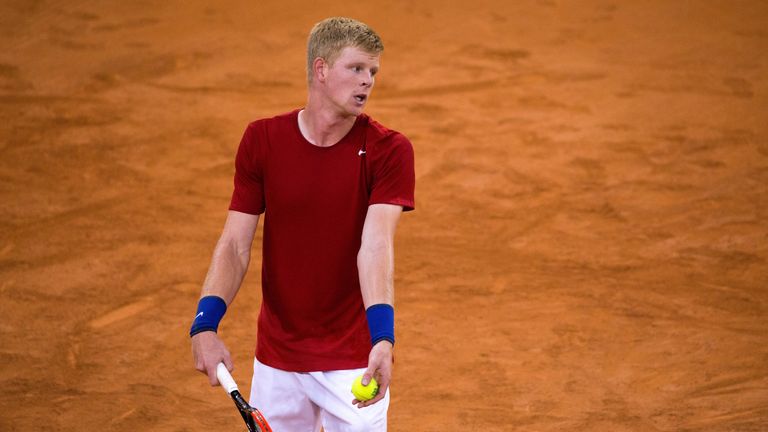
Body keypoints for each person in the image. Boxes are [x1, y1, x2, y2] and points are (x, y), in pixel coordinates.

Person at [189, 17, 415, 431]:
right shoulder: (262, 141)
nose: (368, 81)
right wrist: (205, 323)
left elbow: (376, 246)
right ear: (321, 69)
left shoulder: (388, 150)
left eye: (373, 72)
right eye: (357, 69)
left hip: (352, 363)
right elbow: (235, 244)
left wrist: (383, 337)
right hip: (278, 361)